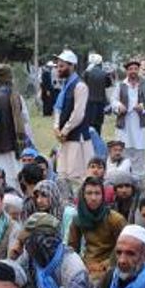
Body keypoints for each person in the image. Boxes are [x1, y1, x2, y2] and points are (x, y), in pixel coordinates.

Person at [17, 213, 89, 288]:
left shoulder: (73, 267)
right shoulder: (31, 257)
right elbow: (19, 284)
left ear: (46, 241)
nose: (26, 246)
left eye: (29, 240)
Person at [67, 176, 127, 281]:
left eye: (97, 193)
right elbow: (72, 248)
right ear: (83, 196)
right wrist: (80, 265)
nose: (93, 198)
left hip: (112, 266)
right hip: (87, 265)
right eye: (89, 193)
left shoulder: (115, 219)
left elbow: (125, 247)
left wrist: (104, 265)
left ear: (102, 196)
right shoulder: (78, 218)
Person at [52, 50, 94, 190]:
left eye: (62, 66)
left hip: (77, 137)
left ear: (71, 66)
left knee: (77, 175)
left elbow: (78, 114)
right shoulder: (65, 86)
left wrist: (64, 131)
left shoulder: (80, 86)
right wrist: (56, 128)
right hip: (65, 138)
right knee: (63, 174)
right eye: (58, 66)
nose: (59, 69)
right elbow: (58, 108)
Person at [112, 59, 145, 181]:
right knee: (123, 148)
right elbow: (113, 100)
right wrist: (119, 106)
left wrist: (143, 106)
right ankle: (123, 177)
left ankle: (138, 177)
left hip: (139, 123)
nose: (133, 71)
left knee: (139, 149)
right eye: (130, 69)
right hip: (124, 123)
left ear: (138, 70)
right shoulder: (121, 85)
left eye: (135, 69)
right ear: (127, 71)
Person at [82, 53, 110, 136]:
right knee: (98, 125)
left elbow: (84, 81)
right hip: (100, 102)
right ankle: (97, 140)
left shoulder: (87, 73)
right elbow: (108, 84)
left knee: (89, 124)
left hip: (89, 102)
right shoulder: (104, 73)